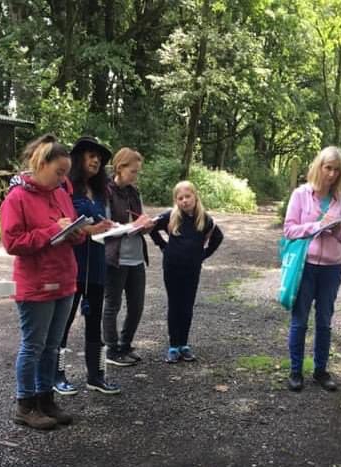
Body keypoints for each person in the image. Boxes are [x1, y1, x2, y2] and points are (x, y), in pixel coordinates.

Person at [0, 134, 84, 430]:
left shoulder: (60, 193)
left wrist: (77, 232)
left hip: (64, 278)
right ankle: (25, 404)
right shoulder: (17, 198)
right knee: (34, 345)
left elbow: (70, 225)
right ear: (41, 164)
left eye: (66, 173)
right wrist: (52, 230)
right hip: (35, 283)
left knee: (53, 346)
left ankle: (46, 399)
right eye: (59, 172)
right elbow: (12, 242)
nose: (63, 179)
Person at [282, 146, 341, 392]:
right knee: (299, 320)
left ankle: (321, 371)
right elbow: (289, 229)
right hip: (306, 266)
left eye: (336, 170)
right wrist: (314, 226)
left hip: (332, 268)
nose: (332, 174)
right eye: (328, 168)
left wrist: (337, 230)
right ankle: (295, 371)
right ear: (319, 167)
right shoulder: (301, 194)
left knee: (324, 321)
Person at [61, 136, 120, 394]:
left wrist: (111, 228)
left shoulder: (99, 191)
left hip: (96, 264)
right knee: (63, 322)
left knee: (94, 321)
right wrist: (90, 228)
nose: (96, 160)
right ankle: (57, 373)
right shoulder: (65, 188)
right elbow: (63, 222)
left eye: (100, 157)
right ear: (78, 158)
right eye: (91, 155)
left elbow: (98, 222)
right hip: (72, 265)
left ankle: (96, 375)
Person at [149, 181, 224, 363]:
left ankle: (184, 343)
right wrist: (163, 246)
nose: (184, 201)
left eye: (187, 196)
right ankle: (174, 345)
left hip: (192, 269)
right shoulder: (170, 216)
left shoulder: (204, 219)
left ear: (195, 196)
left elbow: (218, 237)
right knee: (175, 304)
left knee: (187, 305)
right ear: (176, 200)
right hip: (172, 267)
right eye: (180, 198)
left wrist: (203, 255)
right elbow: (151, 228)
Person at [103, 148, 156, 367]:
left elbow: (138, 220)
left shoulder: (134, 192)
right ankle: (112, 349)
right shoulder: (106, 191)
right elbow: (105, 226)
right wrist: (131, 226)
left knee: (137, 305)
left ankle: (126, 344)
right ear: (120, 168)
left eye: (137, 172)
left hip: (135, 257)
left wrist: (146, 226)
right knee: (112, 305)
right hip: (115, 258)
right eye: (133, 172)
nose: (135, 176)